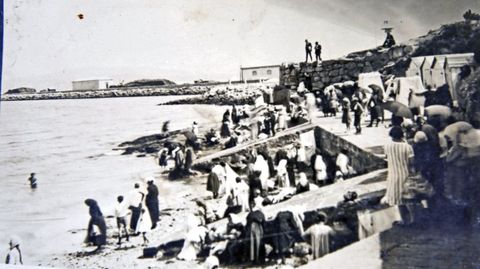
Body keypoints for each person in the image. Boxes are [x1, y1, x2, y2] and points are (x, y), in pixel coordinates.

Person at [381, 126, 414, 206]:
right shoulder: (407, 147)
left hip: (392, 174)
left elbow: (387, 157)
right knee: (406, 198)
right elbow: (412, 162)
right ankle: (410, 216)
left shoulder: (387, 146)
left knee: (394, 197)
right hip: (405, 174)